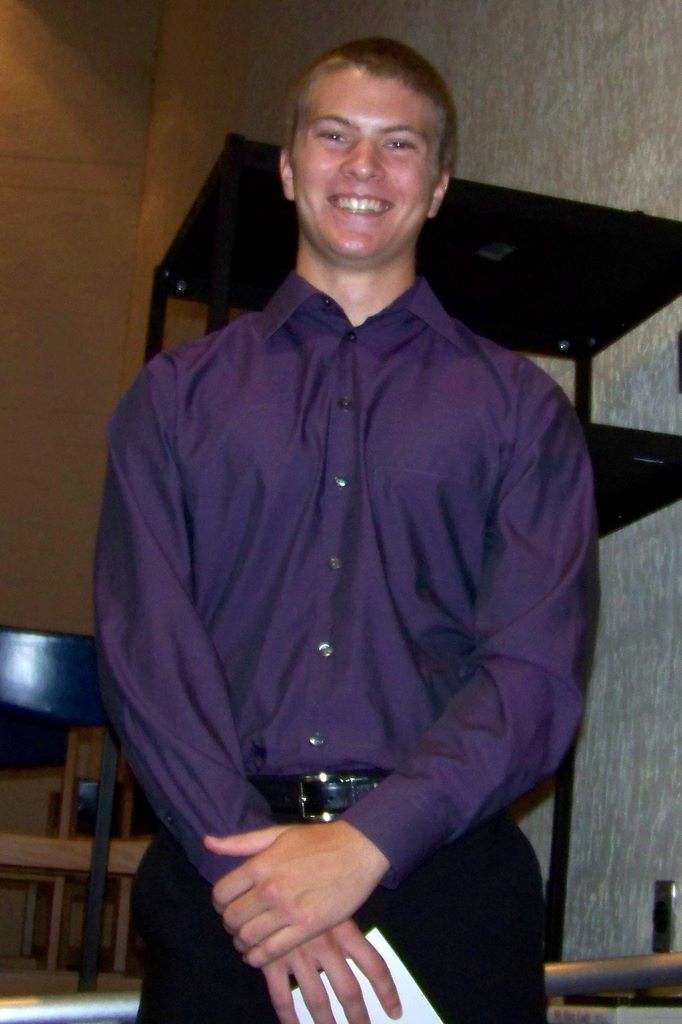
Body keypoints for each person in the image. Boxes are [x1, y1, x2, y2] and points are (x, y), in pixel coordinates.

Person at [95, 37, 598, 1024]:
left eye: (398, 144)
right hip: (220, 874)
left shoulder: (523, 412)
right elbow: (144, 653)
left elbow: (536, 670)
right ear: (289, 168)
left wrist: (365, 844)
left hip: (447, 876)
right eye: (334, 136)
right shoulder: (172, 400)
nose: (364, 167)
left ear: (437, 186)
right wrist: (262, 879)